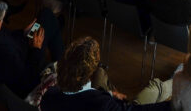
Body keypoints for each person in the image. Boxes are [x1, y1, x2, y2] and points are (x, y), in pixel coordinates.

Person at [39, 37, 172, 110]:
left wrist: (109, 94)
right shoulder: (102, 103)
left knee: (101, 74)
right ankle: (180, 77)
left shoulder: (49, 97)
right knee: (156, 86)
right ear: (88, 74)